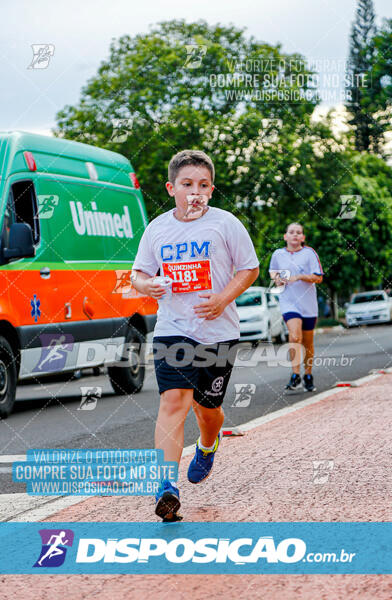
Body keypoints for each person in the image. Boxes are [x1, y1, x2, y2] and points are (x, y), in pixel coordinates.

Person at [132, 150, 259, 521]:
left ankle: (208, 444)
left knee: (209, 411)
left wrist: (222, 299)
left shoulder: (226, 224)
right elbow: (138, 274)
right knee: (174, 401)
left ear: (212, 190)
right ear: (172, 188)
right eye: (187, 185)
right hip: (173, 330)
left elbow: (249, 269)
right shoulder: (157, 229)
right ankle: (166, 487)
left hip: (219, 332)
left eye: (203, 185)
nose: (195, 192)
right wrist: (148, 284)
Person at [269, 222, 323, 393]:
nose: (295, 235)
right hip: (288, 302)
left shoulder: (309, 253)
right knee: (294, 336)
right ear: (285, 236)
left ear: (303, 237)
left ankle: (308, 375)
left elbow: (318, 278)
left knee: (307, 342)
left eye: (298, 232)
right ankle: (295, 374)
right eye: (291, 232)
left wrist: (299, 277)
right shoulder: (278, 254)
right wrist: (278, 279)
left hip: (308, 304)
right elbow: (273, 272)